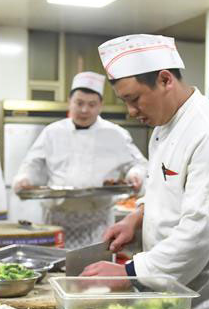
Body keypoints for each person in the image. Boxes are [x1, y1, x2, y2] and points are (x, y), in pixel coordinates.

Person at [82, 34, 209, 309]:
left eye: (134, 99)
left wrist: (129, 272)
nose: (131, 111)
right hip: (174, 297)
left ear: (165, 80)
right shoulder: (164, 127)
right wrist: (137, 218)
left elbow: (200, 231)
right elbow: (164, 191)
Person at [13, 72, 147, 248]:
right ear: (70, 101)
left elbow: (137, 164)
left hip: (97, 222)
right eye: (79, 103)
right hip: (56, 220)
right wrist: (25, 179)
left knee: (96, 270)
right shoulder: (52, 132)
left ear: (101, 105)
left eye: (91, 104)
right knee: (56, 269)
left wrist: (135, 174)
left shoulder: (116, 134)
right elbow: (33, 164)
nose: (84, 110)